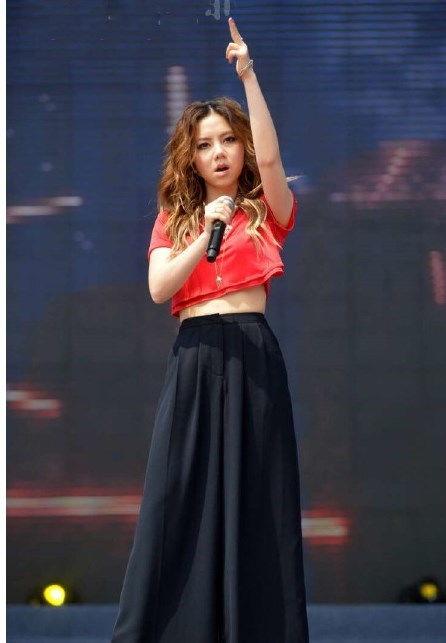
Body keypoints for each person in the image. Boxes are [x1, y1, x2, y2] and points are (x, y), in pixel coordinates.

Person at [111, 16, 309, 643]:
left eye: (227, 140)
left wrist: (247, 74)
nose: (219, 152)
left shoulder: (266, 211)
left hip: (252, 353)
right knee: (177, 495)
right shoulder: (176, 217)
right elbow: (159, 287)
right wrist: (203, 233)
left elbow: (272, 157)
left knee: (258, 496)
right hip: (195, 356)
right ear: (190, 157)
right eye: (204, 145)